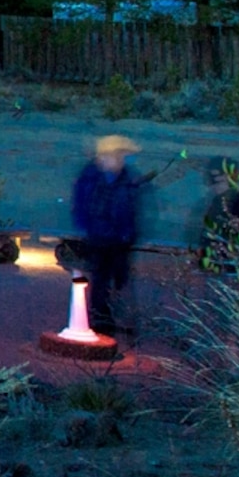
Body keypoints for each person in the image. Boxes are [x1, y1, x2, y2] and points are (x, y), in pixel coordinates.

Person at [69, 134, 146, 336]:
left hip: (121, 239)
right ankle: (101, 319)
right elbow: (83, 207)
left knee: (121, 279)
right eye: (118, 155)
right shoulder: (91, 178)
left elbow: (132, 208)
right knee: (101, 279)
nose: (121, 159)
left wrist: (129, 232)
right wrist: (90, 230)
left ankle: (120, 318)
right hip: (100, 238)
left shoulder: (127, 178)